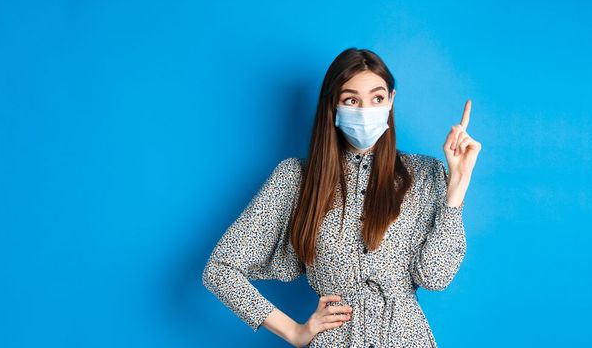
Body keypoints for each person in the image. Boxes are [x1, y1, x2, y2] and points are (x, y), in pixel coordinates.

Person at [202, 47, 482, 347]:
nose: (366, 109)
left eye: (377, 98)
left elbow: (435, 278)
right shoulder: (297, 179)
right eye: (351, 100)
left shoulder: (424, 174)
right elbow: (220, 270)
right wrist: (294, 332)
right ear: (333, 106)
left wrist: (457, 189)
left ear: (391, 101)